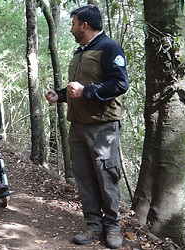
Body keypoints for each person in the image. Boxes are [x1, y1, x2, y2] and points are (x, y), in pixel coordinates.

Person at [45, 5, 129, 249]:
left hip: (102, 128)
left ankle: (112, 227)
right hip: (78, 126)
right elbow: (79, 88)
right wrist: (59, 95)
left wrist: (87, 91)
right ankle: (93, 226)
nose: (71, 29)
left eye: (73, 24)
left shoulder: (109, 48)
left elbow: (119, 84)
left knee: (106, 177)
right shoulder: (80, 51)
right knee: (84, 179)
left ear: (84, 25)